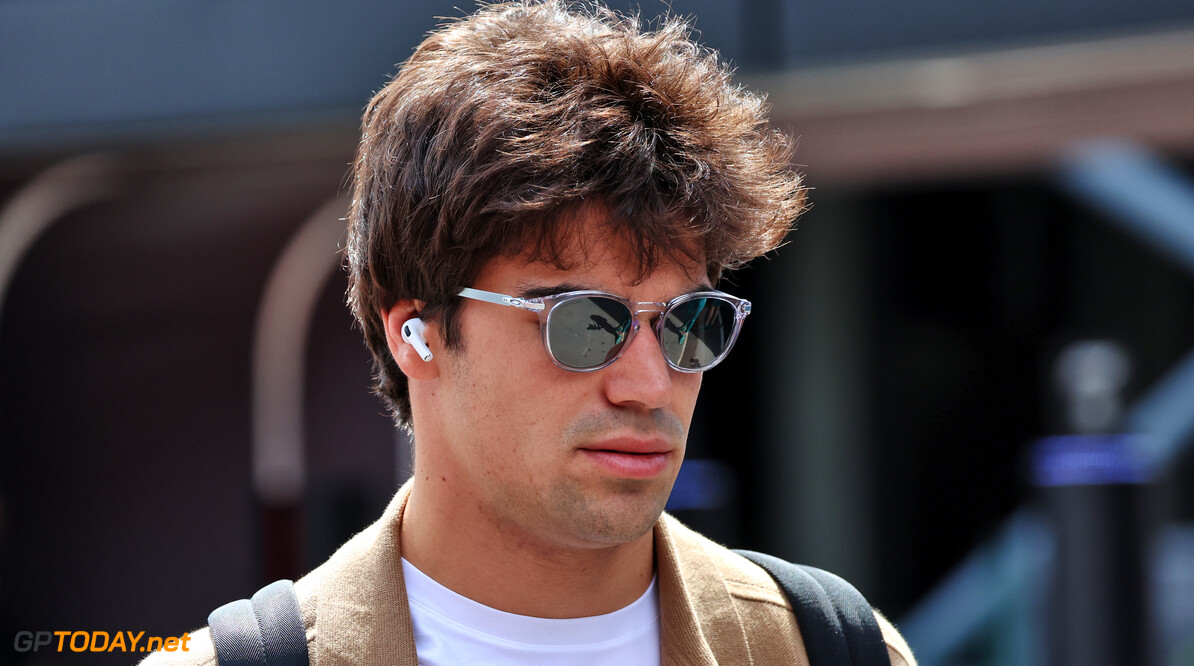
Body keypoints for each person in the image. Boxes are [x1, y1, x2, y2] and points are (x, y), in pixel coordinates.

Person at [147, 1, 916, 663]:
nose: (650, 384)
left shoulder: (830, 649)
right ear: (415, 334)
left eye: (689, 325)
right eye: (585, 323)